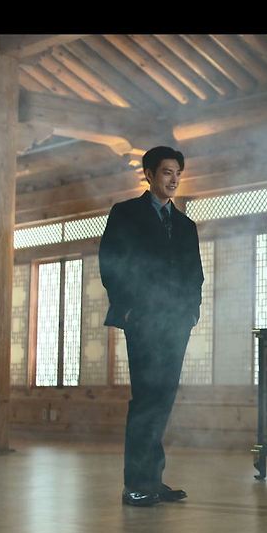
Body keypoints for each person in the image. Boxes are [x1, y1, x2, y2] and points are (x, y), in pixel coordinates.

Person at [99, 145, 203, 507]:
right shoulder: (126, 213)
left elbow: (195, 275)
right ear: (149, 174)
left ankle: (153, 480)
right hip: (143, 318)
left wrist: (192, 313)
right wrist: (127, 308)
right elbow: (111, 261)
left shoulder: (186, 225)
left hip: (176, 322)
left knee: (163, 398)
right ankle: (135, 484)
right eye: (166, 173)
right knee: (146, 398)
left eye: (178, 174)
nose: (173, 180)